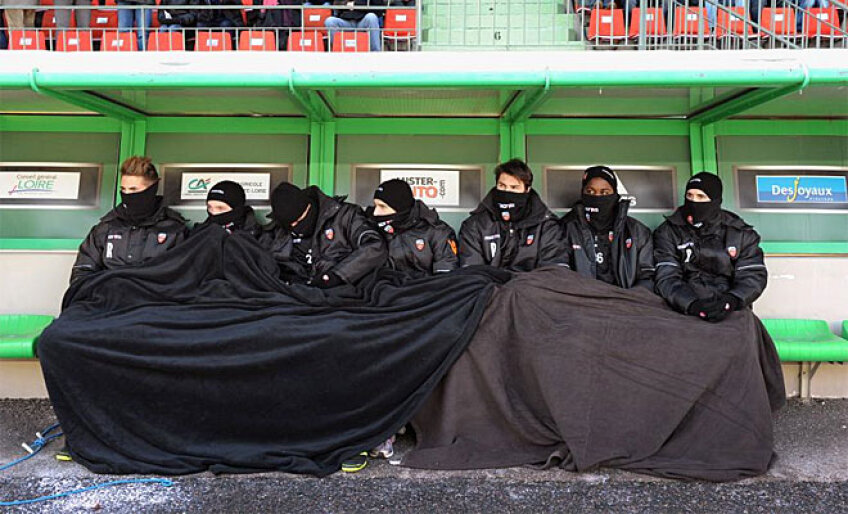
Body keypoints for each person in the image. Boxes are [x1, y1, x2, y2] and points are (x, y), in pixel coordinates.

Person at [653, 172, 767, 322]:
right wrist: (691, 304)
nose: (693, 202)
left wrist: (731, 300)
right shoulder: (668, 231)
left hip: (732, 307)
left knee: (742, 338)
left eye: (701, 197)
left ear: (715, 200)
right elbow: (667, 276)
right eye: (690, 196)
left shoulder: (740, 233)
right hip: (682, 307)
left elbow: (752, 274)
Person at [69, 157, 189, 286]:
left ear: (152, 189)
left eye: (133, 190)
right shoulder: (106, 227)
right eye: (123, 189)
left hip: (154, 301)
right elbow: (82, 272)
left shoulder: (174, 230)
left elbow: (182, 278)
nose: (127, 195)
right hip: (108, 300)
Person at [259, 182, 387, 287]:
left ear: (309, 207)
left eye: (299, 221)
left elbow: (374, 246)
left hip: (340, 295)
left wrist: (338, 275)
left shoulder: (345, 216)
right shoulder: (277, 231)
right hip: (296, 297)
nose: (295, 226)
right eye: (290, 224)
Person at [458, 159, 568, 272]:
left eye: (514, 187)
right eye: (502, 186)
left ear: (527, 189)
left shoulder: (547, 226)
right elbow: (472, 272)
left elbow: (553, 272)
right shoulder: (475, 225)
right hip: (489, 288)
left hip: (531, 288)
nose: (507, 191)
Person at [560, 165, 654, 289]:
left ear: (614, 195)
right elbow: (558, 275)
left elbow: (647, 278)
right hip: (580, 303)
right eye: (590, 192)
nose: (597, 197)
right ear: (582, 193)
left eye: (605, 192)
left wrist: (628, 301)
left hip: (626, 303)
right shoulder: (564, 229)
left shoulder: (637, 232)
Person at [366, 179, 459, 277]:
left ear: (399, 207)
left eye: (382, 206)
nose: (375, 213)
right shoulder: (372, 229)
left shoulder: (438, 232)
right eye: (375, 205)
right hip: (386, 290)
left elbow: (446, 279)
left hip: (428, 290)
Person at [193, 180, 262, 238]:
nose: (214, 213)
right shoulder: (198, 234)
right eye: (210, 207)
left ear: (237, 210)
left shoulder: (258, 236)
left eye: (220, 208)